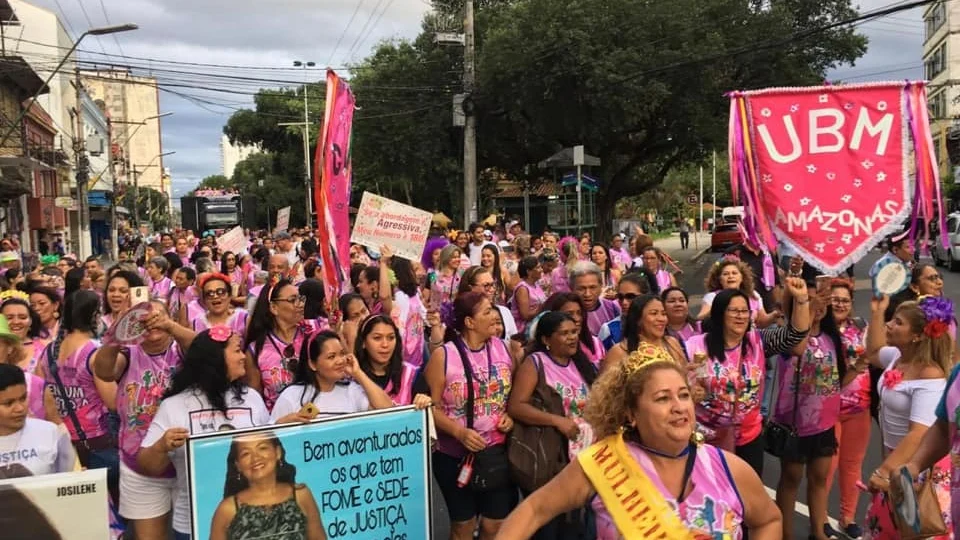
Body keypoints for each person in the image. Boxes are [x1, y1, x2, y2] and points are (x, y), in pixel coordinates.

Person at [494, 346, 782, 539]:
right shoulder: (601, 465)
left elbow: (769, 520)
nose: (679, 406)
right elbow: (534, 510)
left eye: (683, 395)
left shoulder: (728, 469)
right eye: (662, 398)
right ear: (631, 413)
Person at [140, 327, 270, 540]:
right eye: (236, 351)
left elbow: (270, 446)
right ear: (216, 359)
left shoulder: (252, 399)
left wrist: (284, 425)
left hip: (254, 523)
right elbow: (147, 464)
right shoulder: (174, 406)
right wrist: (161, 446)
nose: (242, 357)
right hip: (195, 526)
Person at [94, 300, 195, 540]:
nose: (151, 322)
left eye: (158, 316)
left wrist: (170, 325)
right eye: (143, 319)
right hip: (139, 465)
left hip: (187, 461)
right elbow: (104, 371)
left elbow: (202, 346)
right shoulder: (129, 353)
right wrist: (117, 335)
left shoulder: (182, 350)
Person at [685, 281, 810, 473]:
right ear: (720, 314)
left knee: (746, 497)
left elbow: (793, 337)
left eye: (745, 311)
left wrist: (801, 300)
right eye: (734, 311)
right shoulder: (695, 346)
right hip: (708, 439)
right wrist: (687, 387)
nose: (741, 316)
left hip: (749, 438)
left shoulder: (757, 341)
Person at [424, 292, 516, 540]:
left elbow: (514, 394)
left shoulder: (503, 349)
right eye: (487, 312)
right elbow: (430, 407)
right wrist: (459, 432)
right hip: (454, 456)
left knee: (494, 526)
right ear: (469, 322)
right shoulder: (444, 355)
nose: (494, 316)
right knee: (463, 527)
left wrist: (510, 415)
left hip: (496, 454)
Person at [861, 295, 952, 540]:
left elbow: (919, 433)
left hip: (916, 469)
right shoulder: (897, 358)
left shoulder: (930, 376)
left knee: (911, 532)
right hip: (895, 462)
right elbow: (873, 352)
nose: (890, 325)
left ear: (917, 335)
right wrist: (878, 312)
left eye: (898, 322)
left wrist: (884, 471)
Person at [506, 311, 598, 539]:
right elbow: (517, 406)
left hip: (580, 455)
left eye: (574, 332)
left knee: (575, 524)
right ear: (546, 340)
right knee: (548, 527)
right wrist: (557, 421)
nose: (572, 338)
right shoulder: (536, 363)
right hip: (548, 455)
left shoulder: (581, 364)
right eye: (564, 333)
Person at [772, 292, 852, 539]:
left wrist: (859, 367)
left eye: (822, 303)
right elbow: (797, 347)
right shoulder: (789, 337)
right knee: (791, 478)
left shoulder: (831, 338)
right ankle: (785, 534)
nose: (820, 306)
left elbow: (839, 380)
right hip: (795, 423)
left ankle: (819, 532)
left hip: (825, 423)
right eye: (812, 302)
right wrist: (805, 316)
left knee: (819, 479)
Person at [36, 290, 118, 501]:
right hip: (98, 438)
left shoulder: (48, 351)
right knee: (108, 506)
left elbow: (38, 395)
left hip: (62, 439)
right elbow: (113, 402)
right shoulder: (94, 352)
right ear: (95, 315)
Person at [210, 432, 326, 540]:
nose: (255, 458)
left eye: (262, 448)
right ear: (238, 465)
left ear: (278, 452)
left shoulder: (301, 494)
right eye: (246, 453)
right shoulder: (227, 510)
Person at [825, 279, 870, 539]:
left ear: (851, 304)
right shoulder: (820, 329)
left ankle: (848, 517)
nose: (840, 303)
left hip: (858, 409)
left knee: (852, 465)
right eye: (835, 299)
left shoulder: (860, 327)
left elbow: (875, 353)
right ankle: (820, 521)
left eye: (845, 300)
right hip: (827, 411)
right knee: (826, 468)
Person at [269, 330, 393, 422]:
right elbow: (268, 439)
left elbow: (388, 410)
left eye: (342, 354)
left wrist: (358, 373)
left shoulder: (351, 390)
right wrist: (283, 424)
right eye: (331, 357)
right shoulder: (291, 395)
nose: (340, 361)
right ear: (312, 364)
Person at [245, 279, 314, 411]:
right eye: (293, 300)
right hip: (280, 423)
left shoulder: (314, 332)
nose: (300, 304)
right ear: (274, 308)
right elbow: (255, 400)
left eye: (301, 298)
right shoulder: (255, 350)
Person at [0, 364, 76, 476]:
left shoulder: (52, 432)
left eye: (23, 398)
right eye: (8, 403)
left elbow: (73, 482)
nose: (20, 408)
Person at [697, 259, 778, 328]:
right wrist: (719, 307)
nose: (730, 276)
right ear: (720, 280)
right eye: (725, 274)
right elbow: (700, 319)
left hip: (750, 341)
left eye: (734, 273)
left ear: (742, 277)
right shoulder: (712, 297)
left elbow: (761, 321)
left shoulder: (753, 295)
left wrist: (775, 315)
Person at [597, 272, 652, 351]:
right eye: (620, 297)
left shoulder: (658, 324)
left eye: (630, 297)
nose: (624, 302)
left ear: (646, 296)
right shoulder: (609, 330)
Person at [570, 262, 620, 337]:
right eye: (581, 289)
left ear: (601, 287)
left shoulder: (612, 308)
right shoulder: (567, 313)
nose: (587, 294)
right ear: (572, 288)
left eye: (592, 287)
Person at [1, 293, 47, 372]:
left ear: (30, 321)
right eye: (9, 318)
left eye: (22, 317)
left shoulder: (46, 347)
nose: (16, 322)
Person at [510, 256, 546, 335]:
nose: (541, 270)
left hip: (537, 324)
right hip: (524, 329)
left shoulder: (536, 284)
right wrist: (541, 308)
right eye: (538, 268)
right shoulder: (522, 289)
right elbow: (525, 315)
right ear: (529, 271)